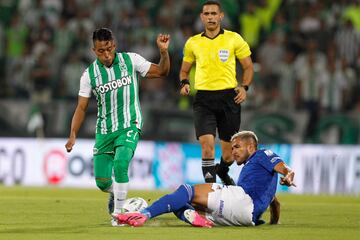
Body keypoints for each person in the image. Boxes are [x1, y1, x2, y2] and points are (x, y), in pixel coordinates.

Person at [65, 28, 170, 225]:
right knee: (102, 182)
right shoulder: (89, 75)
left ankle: (120, 214)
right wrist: (72, 134)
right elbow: (81, 107)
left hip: (129, 124)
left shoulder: (131, 60)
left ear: (114, 45)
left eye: (108, 49)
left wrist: (163, 52)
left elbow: (163, 71)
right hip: (104, 131)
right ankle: (120, 195)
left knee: (121, 164)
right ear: (93, 50)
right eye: (100, 51)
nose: (106, 55)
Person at [113, 130, 296, 227]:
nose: (233, 152)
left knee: (186, 190)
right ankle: (191, 216)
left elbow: (284, 167)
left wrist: (288, 175)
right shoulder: (260, 177)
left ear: (251, 147)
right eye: (232, 148)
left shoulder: (262, 155)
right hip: (247, 218)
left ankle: (143, 214)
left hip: (242, 201)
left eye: (237, 147)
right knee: (182, 204)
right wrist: (274, 222)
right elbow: (275, 204)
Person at [179, 1, 254, 185]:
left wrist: (244, 87)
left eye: (214, 13)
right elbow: (184, 70)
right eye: (207, 14)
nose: (210, 17)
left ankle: (222, 170)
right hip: (204, 99)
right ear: (202, 17)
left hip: (229, 98)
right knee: (207, 148)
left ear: (221, 16)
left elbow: (248, 66)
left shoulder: (234, 39)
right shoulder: (193, 43)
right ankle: (210, 192)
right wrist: (184, 83)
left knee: (229, 155)